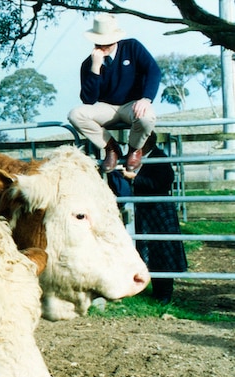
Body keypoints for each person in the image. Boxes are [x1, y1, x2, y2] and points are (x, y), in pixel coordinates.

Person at [67, 13, 161, 173]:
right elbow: (88, 99)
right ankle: (111, 148)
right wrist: (95, 69)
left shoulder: (132, 47)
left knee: (147, 118)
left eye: (108, 42)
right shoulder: (88, 64)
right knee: (75, 115)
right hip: (106, 107)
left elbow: (154, 70)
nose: (104, 46)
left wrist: (146, 99)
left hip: (132, 104)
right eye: (99, 42)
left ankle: (134, 150)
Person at [108, 136, 187, 305]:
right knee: (151, 249)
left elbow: (162, 183)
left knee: (163, 249)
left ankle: (164, 293)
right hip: (146, 210)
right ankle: (155, 292)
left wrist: (134, 178)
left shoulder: (159, 158)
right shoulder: (140, 157)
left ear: (147, 142)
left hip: (158, 208)